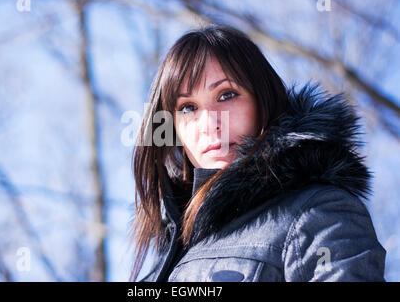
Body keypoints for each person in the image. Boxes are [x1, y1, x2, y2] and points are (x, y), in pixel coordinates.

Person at [129, 24, 386, 282]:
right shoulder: (172, 246)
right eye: (187, 108)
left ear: (263, 101)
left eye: (226, 95)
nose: (209, 123)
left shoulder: (317, 211)